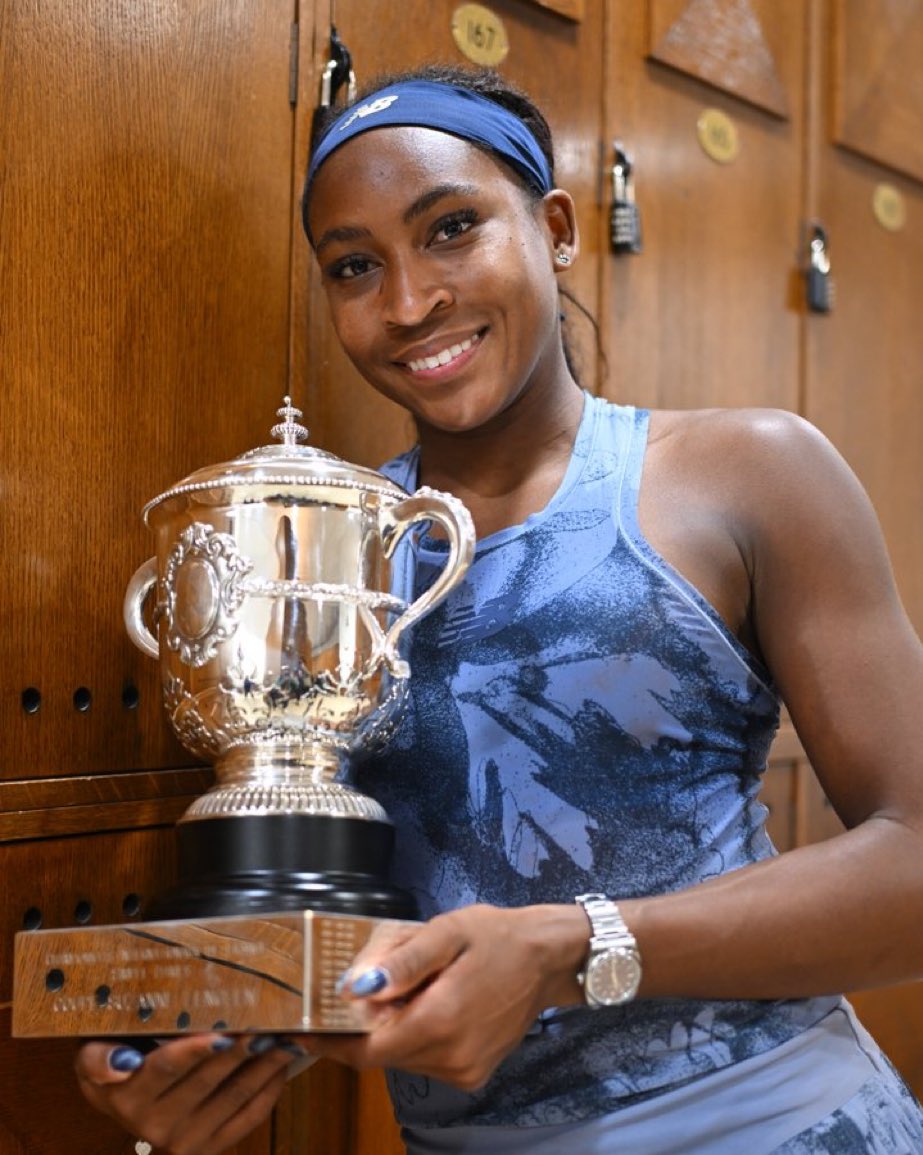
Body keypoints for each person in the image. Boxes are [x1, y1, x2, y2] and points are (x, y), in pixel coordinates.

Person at [76, 64, 923, 1154]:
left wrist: (566, 948)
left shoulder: (743, 473)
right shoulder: (328, 558)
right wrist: (186, 1052)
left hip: (770, 1123)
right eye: (351, 266)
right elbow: (334, 903)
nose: (408, 302)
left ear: (557, 226)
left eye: (452, 228)